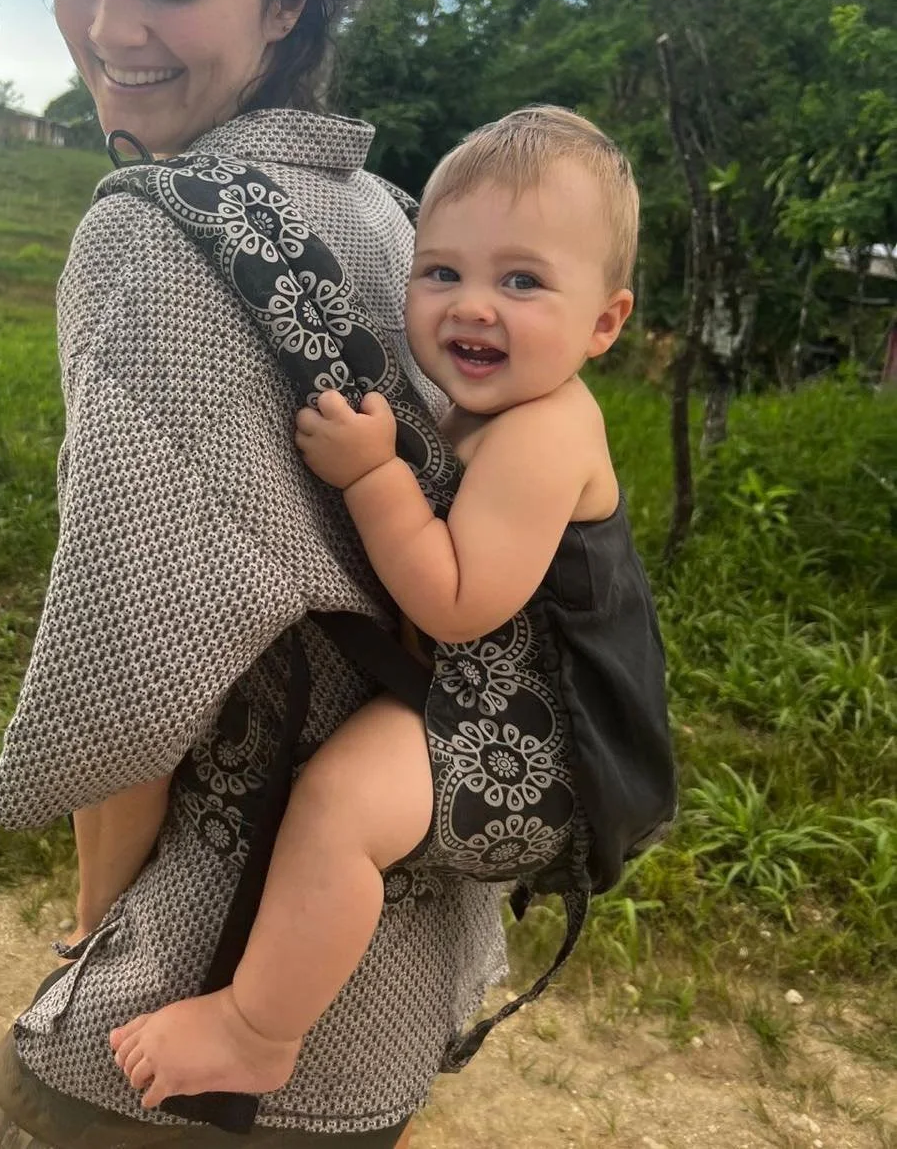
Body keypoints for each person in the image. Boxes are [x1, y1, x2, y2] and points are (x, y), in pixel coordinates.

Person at [0, 0, 507, 1149]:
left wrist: (98, 924)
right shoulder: (390, 218)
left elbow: (126, 670)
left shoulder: (150, 235)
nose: (110, 25)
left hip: (210, 979)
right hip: (394, 952)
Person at [109, 106, 641, 1106]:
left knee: (341, 805)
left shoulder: (545, 432)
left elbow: (454, 602)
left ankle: (256, 1031)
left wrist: (372, 475)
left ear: (604, 322)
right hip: (497, 702)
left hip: (547, 748)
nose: (472, 307)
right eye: (441, 272)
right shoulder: (485, 407)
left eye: (521, 282)